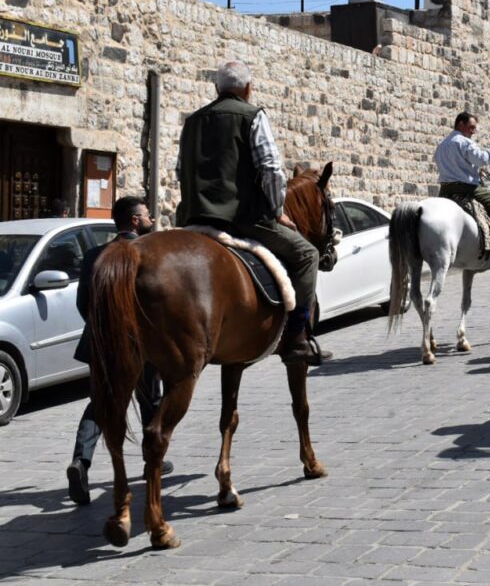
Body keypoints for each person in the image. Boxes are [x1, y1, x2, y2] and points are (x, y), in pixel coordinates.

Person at [176, 60, 327, 365]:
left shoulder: (192, 121)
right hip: (243, 219)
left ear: (216, 88)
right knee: (308, 255)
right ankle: (297, 336)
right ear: (248, 88)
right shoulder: (252, 115)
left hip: (193, 218)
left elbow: (180, 170)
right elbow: (271, 169)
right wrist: (276, 210)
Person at [67, 196, 170, 506]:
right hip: (141, 342)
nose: (152, 219)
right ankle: (152, 458)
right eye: (148, 215)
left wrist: (101, 330)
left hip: (101, 341)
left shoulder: (94, 255)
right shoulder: (149, 253)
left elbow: (83, 303)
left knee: (100, 402)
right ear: (135, 221)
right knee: (150, 398)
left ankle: (80, 461)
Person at [435, 111, 490, 267]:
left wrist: (473, 170)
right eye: (471, 127)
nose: (473, 131)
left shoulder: (442, 145)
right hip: (467, 189)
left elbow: (454, 166)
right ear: (460, 124)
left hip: (445, 191)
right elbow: (483, 159)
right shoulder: (464, 142)